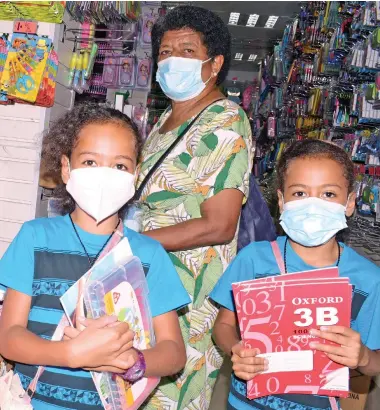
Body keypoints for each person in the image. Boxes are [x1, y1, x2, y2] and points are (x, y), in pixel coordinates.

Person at [0, 103, 190, 410]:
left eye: (119, 166)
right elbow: (9, 337)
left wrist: (134, 361)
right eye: (90, 161)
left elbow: (173, 352)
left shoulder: (149, 254)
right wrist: (70, 354)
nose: (104, 175)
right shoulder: (34, 238)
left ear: (135, 175)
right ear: (66, 168)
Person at [130, 5, 253, 410]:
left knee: (173, 396)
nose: (171, 61)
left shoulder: (225, 120)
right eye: (165, 52)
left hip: (190, 293)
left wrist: (134, 244)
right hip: (149, 279)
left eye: (186, 50)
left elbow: (218, 225)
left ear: (214, 63)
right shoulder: (167, 118)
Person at [210, 139, 380, 410]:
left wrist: (362, 358)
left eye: (328, 194)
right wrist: (235, 349)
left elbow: (375, 362)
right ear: (281, 200)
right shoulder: (254, 259)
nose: (313, 205)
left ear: (349, 203)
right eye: (300, 193)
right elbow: (223, 325)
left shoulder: (367, 280)